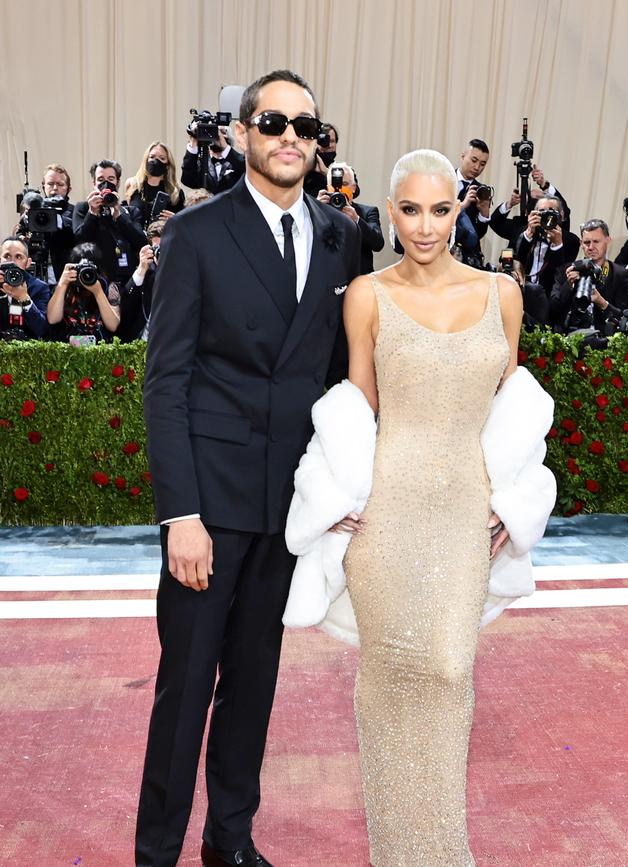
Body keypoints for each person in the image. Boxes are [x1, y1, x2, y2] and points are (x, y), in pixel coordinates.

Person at [136, 68, 360, 867]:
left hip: (289, 507)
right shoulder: (195, 234)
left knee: (252, 691)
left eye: (306, 123)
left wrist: (347, 488)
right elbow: (166, 382)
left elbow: (344, 380)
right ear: (240, 135)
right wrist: (181, 514)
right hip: (212, 510)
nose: (290, 136)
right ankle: (156, 852)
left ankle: (230, 841)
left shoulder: (344, 235)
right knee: (185, 693)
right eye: (272, 122)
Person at [339, 149, 522, 865]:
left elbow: (515, 413)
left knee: (448, 671)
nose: (425, 225)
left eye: (440, 209)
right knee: (389, 684)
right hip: (387, 513)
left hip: (464, 513)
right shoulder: (367, 294)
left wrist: (517, 497)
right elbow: (359, 409)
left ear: (460, 209)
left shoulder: (500, 292)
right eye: (410, 209)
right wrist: (339, 498)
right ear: (392, 213)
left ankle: (445, 851)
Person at [549, 218, 628, 333]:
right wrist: (569, 285)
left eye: (596, 241)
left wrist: (602, 303)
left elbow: (623, 317)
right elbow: (552, 310)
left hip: (603, 339)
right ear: (581, 244)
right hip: (569, 336)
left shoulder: (619, 274)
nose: (590, 247)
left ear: (608, 241)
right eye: (586, 242)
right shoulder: (566, 270)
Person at [72, 159, 147, 289]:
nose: (106, 183)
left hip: (127, 279)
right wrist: (92, 213)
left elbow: (141, 242)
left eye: (111, 179)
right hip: (95, 279)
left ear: (117, 183)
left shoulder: (130, 211)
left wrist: (119, 215)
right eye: (101, 179)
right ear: (94, 184)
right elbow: (79, 241)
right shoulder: (83, 208)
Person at [317, 161, 384, 273]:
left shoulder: (367, 212)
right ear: (327, 188)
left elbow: (378, 244)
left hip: (359, 278)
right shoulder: (319, 211)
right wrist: (315, 209)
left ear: (353, 187)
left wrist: (357, 219)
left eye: (344, 184)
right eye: (334, 185)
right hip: (327, 276)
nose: (339, 189)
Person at [47, 242, 120, 342]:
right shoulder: (65, 287)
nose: (85, 274)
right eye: (80, 269)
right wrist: (62, 284)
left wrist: (98, 293)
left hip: (100, 349)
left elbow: (113, 325)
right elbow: (52, 319)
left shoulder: (108, 288)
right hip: (67, 349)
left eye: (89, 269)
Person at [514, 194, 580, 296]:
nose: (545, 216)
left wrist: (557, 245)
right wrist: (528, 235)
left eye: (550, 212)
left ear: (561, 216)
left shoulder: (571, 240)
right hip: (521, 290)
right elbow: (516, 260)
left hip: (548, 296)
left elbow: (562, 275)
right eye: (541, 212)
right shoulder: (524, 232)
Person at [117, 220, 165, 342]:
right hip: (145, 343)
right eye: (158, 249)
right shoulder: (147, 273)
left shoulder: (187, 271)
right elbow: (125, 308)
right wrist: (141, 268)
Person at [124, 141, 185, 228]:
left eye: (162, 158)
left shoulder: (175, 192)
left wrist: (175, 219)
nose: (156, 161)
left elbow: (184, 224)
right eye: (152, 157)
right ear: (146, 160)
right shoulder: (132, 184)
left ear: (168, 164)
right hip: (138, 238)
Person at [0, 235, 50, 339]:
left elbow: (42, 329)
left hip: (29, 349)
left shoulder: (39, 287)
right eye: (7, 256)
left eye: (18, 257)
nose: (12, 262)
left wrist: (24, 298)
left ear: (28, 263)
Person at [181, 126, 245, 195]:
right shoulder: (202, 163)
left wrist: (225, 148)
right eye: (214, 132)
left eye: (222, 132)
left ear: (229, 139)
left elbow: (245, 169)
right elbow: (187, 180)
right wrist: (193, 141)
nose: (218, 135)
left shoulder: (237, 161)